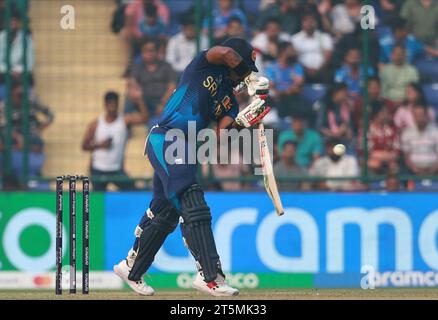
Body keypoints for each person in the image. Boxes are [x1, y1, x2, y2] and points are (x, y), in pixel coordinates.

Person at [113, 38, 271, 297]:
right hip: (166, 138)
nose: (244, 79)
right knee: (192, 200)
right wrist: (251, 77)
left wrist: (248, 117)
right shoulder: (203, 65)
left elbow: (224, 135)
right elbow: (227, 52)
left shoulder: (229, 99)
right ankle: (210, 276)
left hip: (187, 148)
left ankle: (131, 268)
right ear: (236, 64)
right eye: (243, 72)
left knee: (165, 212)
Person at [81, 90, 148, 191]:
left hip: (116, 169)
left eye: (115, 104)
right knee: (98, 199)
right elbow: (84, 146)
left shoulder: (124, 120)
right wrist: (100, 145)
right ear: (105, 105)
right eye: (110, 104)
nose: (112, 107)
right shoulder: (96, 124)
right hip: (98, 169)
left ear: (118, 104)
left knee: (134, 191)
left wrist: (139, 100)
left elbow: (144, 119)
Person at [129, 38, 176, 123]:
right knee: (130, 96)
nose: (149, 53)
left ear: (157, 52)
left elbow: (172, 87)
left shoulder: (166, 66)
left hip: (164, 103)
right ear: (142, 53)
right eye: (146, 51)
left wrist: (163, 104)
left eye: (151, 50)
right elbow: (132, 83)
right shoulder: (137, 67)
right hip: (145, 104)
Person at [265, 41, 306, 119]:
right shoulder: (271, 68)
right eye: (291, 50)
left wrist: (284, 92)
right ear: (283, 52)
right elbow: (271, 86)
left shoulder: (297, 67)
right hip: (276, 99)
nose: (294, 52)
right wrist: (288, 90)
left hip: (292, 98)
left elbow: (299, 85)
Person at [291, 12, 334, 83]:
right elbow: (295, 58)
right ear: (302, 23)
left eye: (312, 21)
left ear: (316, 22)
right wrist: (306, 70)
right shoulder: (295, 39)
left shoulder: (325, 37)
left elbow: (328, 56)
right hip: (303, 72)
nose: (309, 24)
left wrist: (319, 69)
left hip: (322, 71)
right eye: (306, 21)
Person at [357, 104, 400, 175]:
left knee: (395, 168)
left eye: (386, 112)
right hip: (370, 164)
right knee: (370, 166)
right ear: (376, 115)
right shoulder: (366, 129)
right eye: (383, 112)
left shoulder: (391, 129)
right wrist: (378, 158)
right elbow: (362, 150)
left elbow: (397, 151)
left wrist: (383, 158)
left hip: (389, 164)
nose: (386, 115)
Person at [401, 104, 438, 175]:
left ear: (426, 116)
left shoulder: (436, 131)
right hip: (413, 171)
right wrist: (416, 170)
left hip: (435, 170)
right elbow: (406, 157)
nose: (419, 118)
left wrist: (432, 171)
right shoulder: (407, 132)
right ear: (414, 117)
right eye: (416, 115)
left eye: (421, 115)